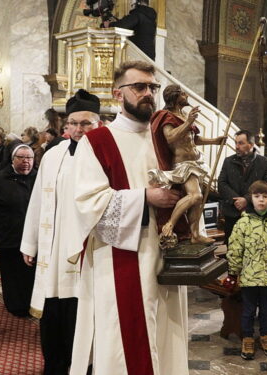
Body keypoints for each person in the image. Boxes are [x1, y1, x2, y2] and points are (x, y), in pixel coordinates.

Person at [67, 60, 188, 375]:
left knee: (167, 331)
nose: (148, 93)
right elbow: (86, 203)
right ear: (117, 93)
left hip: (166, 253)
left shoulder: (165, 137)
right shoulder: (97, 142)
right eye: (139, 87)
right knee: (127, 340)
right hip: (123, 256)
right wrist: (145, 197)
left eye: (152, 87)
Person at [21, 89, 101, 375]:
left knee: (80, 316)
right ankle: (54, 367)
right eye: (74, 123)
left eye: (86, 123)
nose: (79, 129)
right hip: (53, 252)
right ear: (66, 125)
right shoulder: (53, 155)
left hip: (88, 254)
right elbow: (38, 201)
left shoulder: (105, 156)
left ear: (98, 124)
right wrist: (30, 243)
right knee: (52, 313)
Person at [149, 84, 225, 244]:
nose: (187, 96)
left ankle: (195, 235)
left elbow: (192, 138)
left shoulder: (183, 115)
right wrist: (188, 121)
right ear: (175, 97)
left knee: (198, 202)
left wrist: (214, 141)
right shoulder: (165, 116)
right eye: (184, 94)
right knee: (195, 196)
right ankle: (169, 224)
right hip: (183, 164)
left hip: (195, 162)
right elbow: (170, 137)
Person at [224, 180, 267, 360]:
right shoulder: (243, 223)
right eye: (257, 196)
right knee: (248, 311)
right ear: (251, 198)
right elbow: (235, 249)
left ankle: (265, 336)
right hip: (248, 277)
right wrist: (233, 272)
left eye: (265, 196)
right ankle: (247, 338)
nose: (261, 200)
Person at [0, 144, 37, 317]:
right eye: (22, 157)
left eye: (29, 158)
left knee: (31, 272)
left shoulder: (39, 177)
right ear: (13, 159)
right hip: (9, 233)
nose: (26, 161)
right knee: (12, 272)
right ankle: (15, 304)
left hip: (34, 236)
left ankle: (32, 302)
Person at [218, 130, 267, 244]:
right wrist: (236, 200)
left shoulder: (266, 163)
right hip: (232, 215)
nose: (237, 147)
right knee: (233, 253)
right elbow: (221, 183)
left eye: (241, 143)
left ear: (251, 145)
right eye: (236, 143)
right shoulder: (228, 161)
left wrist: (246, 200)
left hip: (255, 215)